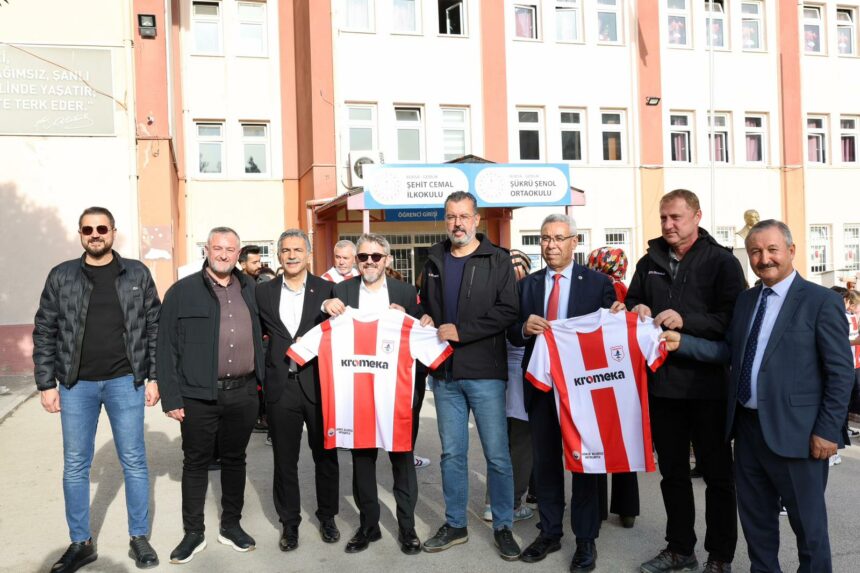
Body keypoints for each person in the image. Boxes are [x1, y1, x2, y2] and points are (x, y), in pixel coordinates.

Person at [660, 220, 855, 573]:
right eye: (755, 252)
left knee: (809, 528)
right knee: (757, 525)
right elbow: (730, 352)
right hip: (748, 430)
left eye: (772, 250)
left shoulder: (820, 301)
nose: (764, 258)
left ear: (791, 251)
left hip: (799, 434)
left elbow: (840, 373)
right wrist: (683, 343)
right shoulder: (747, 300)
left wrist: (828, 430)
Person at [615, 189, 745, 573]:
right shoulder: (649, 260)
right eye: (663, 218)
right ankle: (679, 549)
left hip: (708, 387)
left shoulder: (722, 262)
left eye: (676, 217)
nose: (668, 225)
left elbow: (733, 320)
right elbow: (634, 302)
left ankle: (719, 557)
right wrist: (636, 307)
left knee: (718, 478)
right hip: (662, 386)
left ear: (697, 217)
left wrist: (686, 320)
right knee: (672, 474)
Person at [33, 206, 161, 572]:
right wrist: (46, 383)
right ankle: (81, 542)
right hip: (76, 385)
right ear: (80, 234)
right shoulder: (62, 276)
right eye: (88, 229)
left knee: (134, 460)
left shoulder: (136, 273)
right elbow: (45, 329)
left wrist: (154, 377)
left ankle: (139, 537)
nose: (95, 234)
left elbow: (154, 325)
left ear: (113, 232)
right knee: (76, 464)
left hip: (125, 381)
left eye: (101, 228)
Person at [508, 214, 614, 572]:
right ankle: (550, 532)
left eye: (558, 238)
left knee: (584, 464)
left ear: (574, 242)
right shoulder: (528, 286)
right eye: (544, 238)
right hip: (541, 387)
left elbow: (610, 332)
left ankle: (585, 540)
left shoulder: (598, 284)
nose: (550, 245)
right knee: (546, 463)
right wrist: (524, 328)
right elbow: (510, 331)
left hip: (583, 390)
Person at [418, 191, 521, 560]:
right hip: (445, 374)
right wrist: (425, 315)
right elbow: (428, 304)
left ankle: (503, 526)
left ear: (477, 220)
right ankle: (455, 524)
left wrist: (462, 331)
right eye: (451, 216)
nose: (457, 223)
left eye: (463, 216)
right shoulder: (434, 258)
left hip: (485, 373)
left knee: (497, 455)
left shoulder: (498, 259)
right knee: (452, 454)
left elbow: (508, 309)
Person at [157, 226, 265, 564]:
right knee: (195, 463)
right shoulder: (182, 291)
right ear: (206, 249)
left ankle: (231, 525)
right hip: (198, 396)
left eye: (230, 249)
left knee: (235, 460)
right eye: (218, 248)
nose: (223, 254)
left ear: (238, 254)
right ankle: (193, 532)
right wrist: (171, 398)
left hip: (243, 392)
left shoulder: (251, 289)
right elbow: (165, 347)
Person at [322, 232, 433, 555]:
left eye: (375, 256)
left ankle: (407, 528)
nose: (369, 262)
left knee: (402, 459)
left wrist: (414, 317)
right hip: (356, 391)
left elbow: (422, 327)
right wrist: (325, 305)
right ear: (356, 261)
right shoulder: (342, 291)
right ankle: (368, 526)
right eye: (363, 256)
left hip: (397, 392)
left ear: (387, 260)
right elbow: (326, 327)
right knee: (362, 461)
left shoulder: (405, 291)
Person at [254, 229, 340, 552]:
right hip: (281, 387)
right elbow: (255, 335)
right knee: (284, 460)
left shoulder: (327, 290)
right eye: (286, 250)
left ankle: (327, 517)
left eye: (297, 250)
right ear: (279, 255)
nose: (291, 256)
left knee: (326, 456)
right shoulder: (263, 292)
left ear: (308, 255)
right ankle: (289, 523)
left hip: (318, 385)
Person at [585, 247, 640, 528]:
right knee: (623, 438)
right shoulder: (629, 291)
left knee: (595, 438)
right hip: (624, 370)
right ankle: (627, 507)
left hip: (596, 369)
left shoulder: (593, 287)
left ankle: (596, 508)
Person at [482, 249, 535, 524]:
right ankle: (511, 503)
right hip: (520, 374)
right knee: (521, 444)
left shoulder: (491, 292)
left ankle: (492, 502)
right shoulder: (527, 293)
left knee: (499, 444)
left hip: (494, 373)